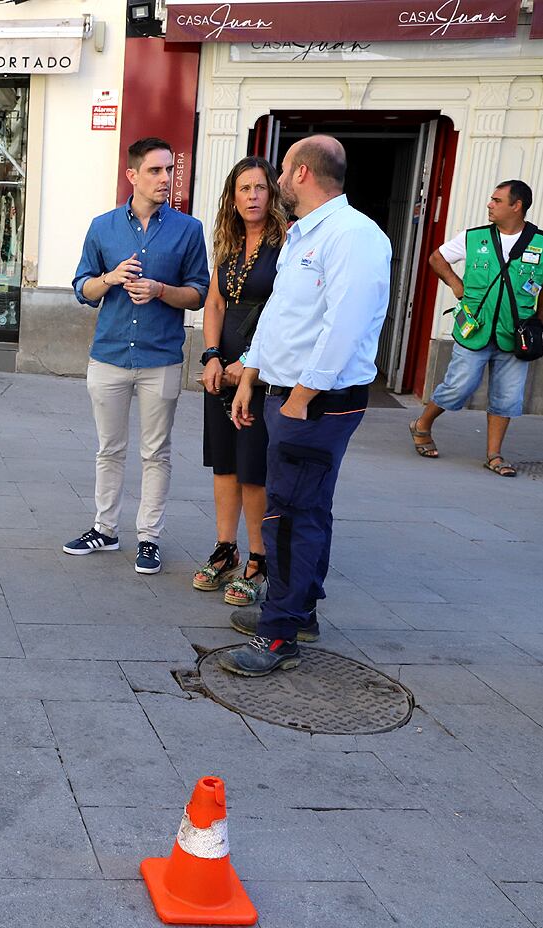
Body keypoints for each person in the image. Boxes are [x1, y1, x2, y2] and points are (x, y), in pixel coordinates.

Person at [220, 135, 391, 676]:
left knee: (289, 517)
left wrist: (301, 395)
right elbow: (281, 316)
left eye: (280, 172)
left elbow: (346, 324)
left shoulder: (354, 235)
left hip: (317, 402)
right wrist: (251, 373)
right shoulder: (303, 235)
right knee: (303, 508)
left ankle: (278, 635)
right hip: (285, 392)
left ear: (298, 174)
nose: (272, 184)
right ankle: (296, 613)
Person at [68, 137, 210, 575]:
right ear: (132, 175)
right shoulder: (103, 226)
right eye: (155, 170)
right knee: (109, 449)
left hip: (161, 357)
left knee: (156, 453)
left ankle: (149, 538)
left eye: (169, 170)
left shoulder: (189, 229)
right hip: (109, 355)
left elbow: (198, 294)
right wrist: (109, 277)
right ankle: (105, 530)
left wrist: (160, 290)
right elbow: (82, 289)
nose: (166, 179)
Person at [193, 157, 286, 606]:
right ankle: (225, 548)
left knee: (254, 468)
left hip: (262, 374)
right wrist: (212, 356)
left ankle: (258, 558)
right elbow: (214, 303)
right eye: (243, 188)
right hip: (223, 370)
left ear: (273, 194)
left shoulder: (286, 244)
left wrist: (248, 363)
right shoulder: (228, 242)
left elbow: (286, 314)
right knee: (225, 464)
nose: (251, 196)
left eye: (260, 187)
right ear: (232, 197)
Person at [409, 180, 542, 477]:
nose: (489, 204)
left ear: (516, 205)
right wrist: (456, 285)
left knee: (507, 398)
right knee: (458, 387)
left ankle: (494, 455)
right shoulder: (474, 237)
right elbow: (436, 258)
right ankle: (422, 424)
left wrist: (539, 323)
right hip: (475, 330)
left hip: (516, 333)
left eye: (496, 200)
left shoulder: (541, 244)